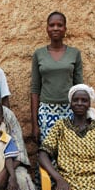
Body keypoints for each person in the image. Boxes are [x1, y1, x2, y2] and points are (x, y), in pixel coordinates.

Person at [31, 11, 83, 144]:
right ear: (47, 28)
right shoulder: (39, 54)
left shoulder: (74, 53)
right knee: (48, 153)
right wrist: (35, 124)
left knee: (70, 151)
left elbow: (79, 87)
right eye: (51, 25)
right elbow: (35, 88)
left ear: (65, 29)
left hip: (70, 110)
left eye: (59, 25)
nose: (55, 28)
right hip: (46, 112)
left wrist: (81, 118)